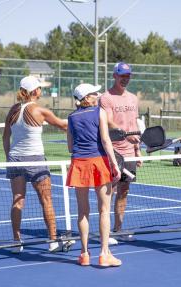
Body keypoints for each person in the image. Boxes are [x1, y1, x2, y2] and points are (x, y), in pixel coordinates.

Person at [2, 76, 69, 253]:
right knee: (46, 201)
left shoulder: (13, 110)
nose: (41, 91)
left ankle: (17, 242)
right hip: (36, 161)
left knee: (17, 200)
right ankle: (53, 241)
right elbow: (63, 125)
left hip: (15, 160)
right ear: (35, 91)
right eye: (40, 88)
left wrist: (9, 158)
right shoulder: (40, 110)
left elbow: (5, 136)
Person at [66, 83, 122, 267]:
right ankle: (104, 254)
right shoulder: (100, 112)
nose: (98, 95)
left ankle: (84, 254)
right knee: (104, 210)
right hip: (98, 162)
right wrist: (114, 165)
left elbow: (69, 147)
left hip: (78, 164)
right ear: (86, 98)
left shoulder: (71, 118)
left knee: (82, 211)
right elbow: (106, 140)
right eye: (94, 93)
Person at [100, 62, 141, 244]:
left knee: (124, 191)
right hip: (112, 151)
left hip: (130, 152)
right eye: (122, 75)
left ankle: (118, 229)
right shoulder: (106, 98)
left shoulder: (133, 98)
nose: (125, 79)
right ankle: (106, 232)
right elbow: (108, 122)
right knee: (109, 190)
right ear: (114, 76)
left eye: (128, 76)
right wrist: (126, 136)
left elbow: (134, 123)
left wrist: (137, 149)